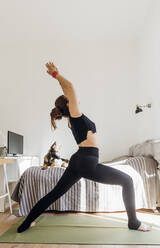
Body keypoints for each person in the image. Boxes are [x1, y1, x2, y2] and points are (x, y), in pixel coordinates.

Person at [17, 61, 152, 233]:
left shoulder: (72, 119)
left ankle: (25, 224)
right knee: (127, 181)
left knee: (54, 194)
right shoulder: (75, 115)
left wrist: (58, 81)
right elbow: (70, 87)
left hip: (79, 160)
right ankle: (134, 223)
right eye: (70, 100)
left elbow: (67, 92)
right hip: (87, 161)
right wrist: (55, 74)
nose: (74, 99)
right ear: (68, 105)